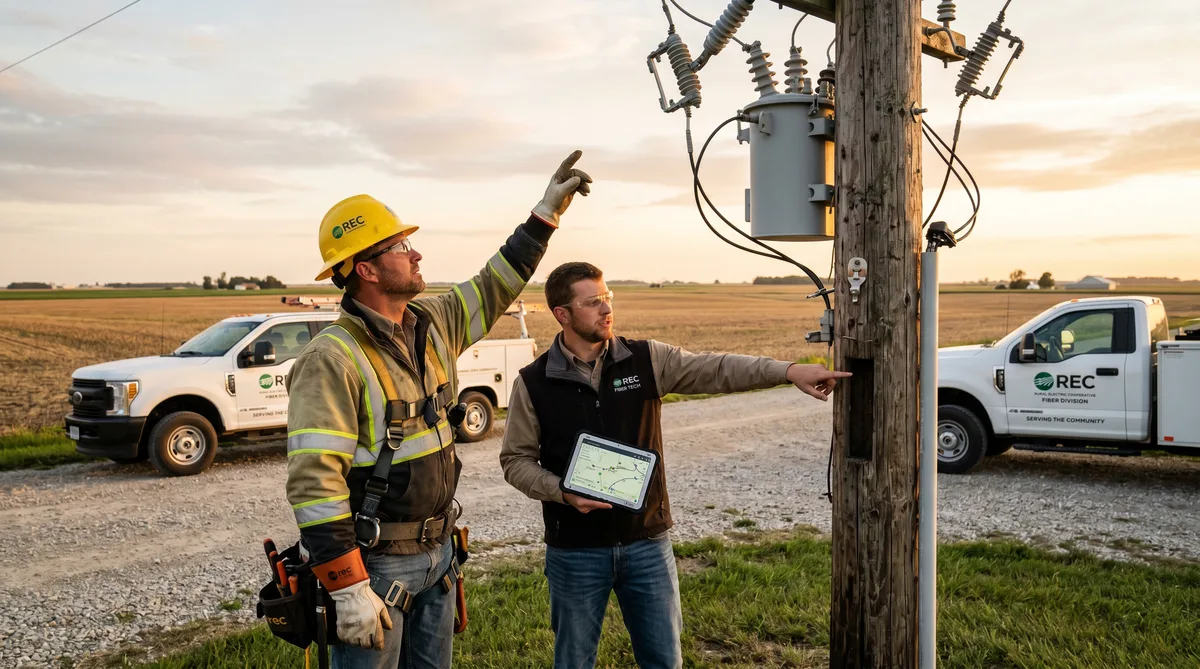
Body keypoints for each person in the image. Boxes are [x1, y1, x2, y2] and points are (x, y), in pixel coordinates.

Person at [286, 152, 592, 668]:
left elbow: (493, 284)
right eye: (400, 247)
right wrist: (347, 587)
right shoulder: (331, 359)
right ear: (366, 269)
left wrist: (544, 216)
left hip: (439, 554)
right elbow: (315, 484)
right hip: (376, 567)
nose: (416, 254)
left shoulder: (431, 323)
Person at [499, 261, 850, 669]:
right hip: (575, 551)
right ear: (562, 314)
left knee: (665, 661)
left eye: (608, 297)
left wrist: (787, 371)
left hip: (647, 545)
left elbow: (717, 368)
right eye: (592, 302)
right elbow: (515, 460)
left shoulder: (645, 359)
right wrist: (562, 492)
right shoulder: (533, 382)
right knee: (574, 661)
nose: (607, 308)